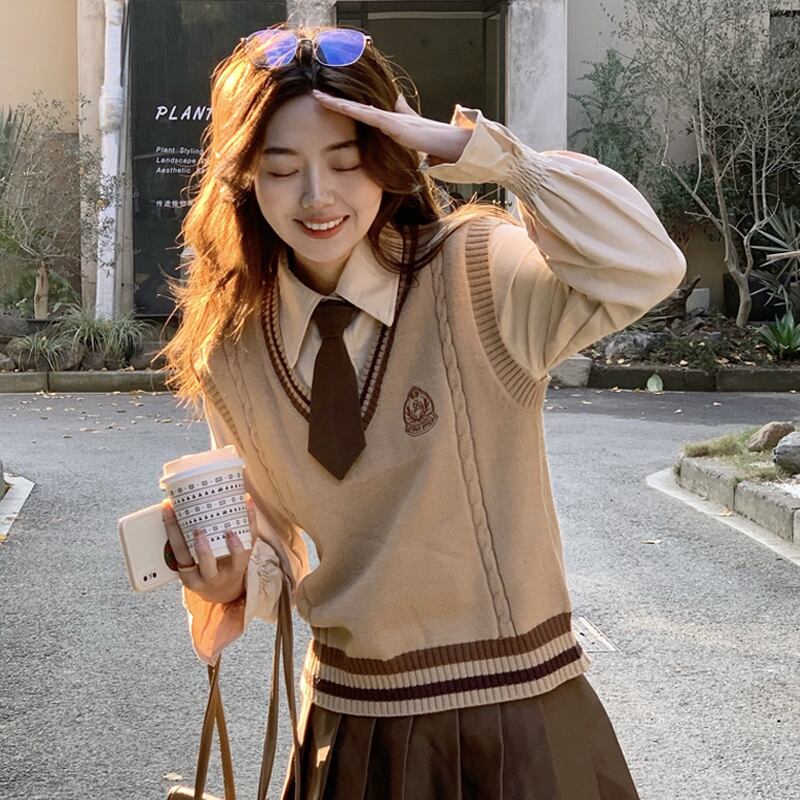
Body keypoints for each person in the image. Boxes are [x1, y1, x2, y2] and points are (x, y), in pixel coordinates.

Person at [159, 23, 686, 800]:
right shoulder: (232, 352)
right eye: (283, 168)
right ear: (244, 179)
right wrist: (228, 573)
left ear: (387, 157)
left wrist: (488, 155)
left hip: (516, 723)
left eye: (346, 160)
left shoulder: (478, 274)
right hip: (348, 729)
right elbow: (269, 542)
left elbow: (645, 264)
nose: (317, 196)